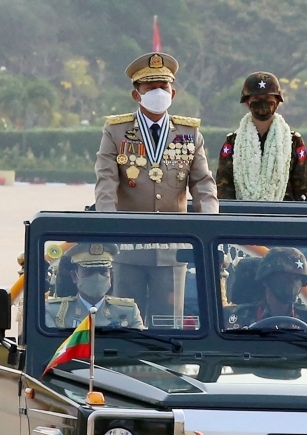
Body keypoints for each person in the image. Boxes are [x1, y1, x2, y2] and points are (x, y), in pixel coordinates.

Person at [93, 52, 218, 328]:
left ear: (173, 92)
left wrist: (209, 224)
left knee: (167, 326)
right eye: (151, 89)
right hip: (129, 245)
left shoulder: (189, 133)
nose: (159, 93)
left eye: (164, 88)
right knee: (125, 324)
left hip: (172, 248)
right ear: (136, 95)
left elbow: (203, 183)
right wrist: (107, 224)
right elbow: (106, 182)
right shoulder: (117, 131)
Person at [215, 72, 307, 202]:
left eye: (268, 98)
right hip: (242, 216)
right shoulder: (233, 142)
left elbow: (304, 190)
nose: (263, 103)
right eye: (256, 98)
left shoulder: (293, 142)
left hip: (284, 216)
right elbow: (224, 189)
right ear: (247, 102)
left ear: (277, 102)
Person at [45, 243, 144, 330]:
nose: (97, 277)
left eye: (103, 271)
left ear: (111, 275)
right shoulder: (55, 312)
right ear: (74, 276)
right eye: (89, 271)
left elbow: (140, 348)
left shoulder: (128, 311)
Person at [227, 247, 307, 331]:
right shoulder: (243, 316)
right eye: (284, 277)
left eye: (297, 278)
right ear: (266, 279)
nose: (291, 282)